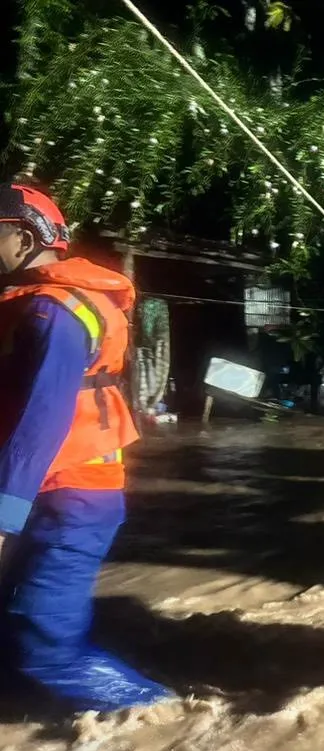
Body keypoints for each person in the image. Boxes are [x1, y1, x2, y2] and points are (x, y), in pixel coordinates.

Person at [0, 184, 173, 712]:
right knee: (15, 632)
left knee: (44, 649)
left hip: (71, 495)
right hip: (51, 490)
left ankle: (166, 716)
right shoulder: (36, 302)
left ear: (24, 238)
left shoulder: (54, 312)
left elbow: (41, 419)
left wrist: (2, 520)